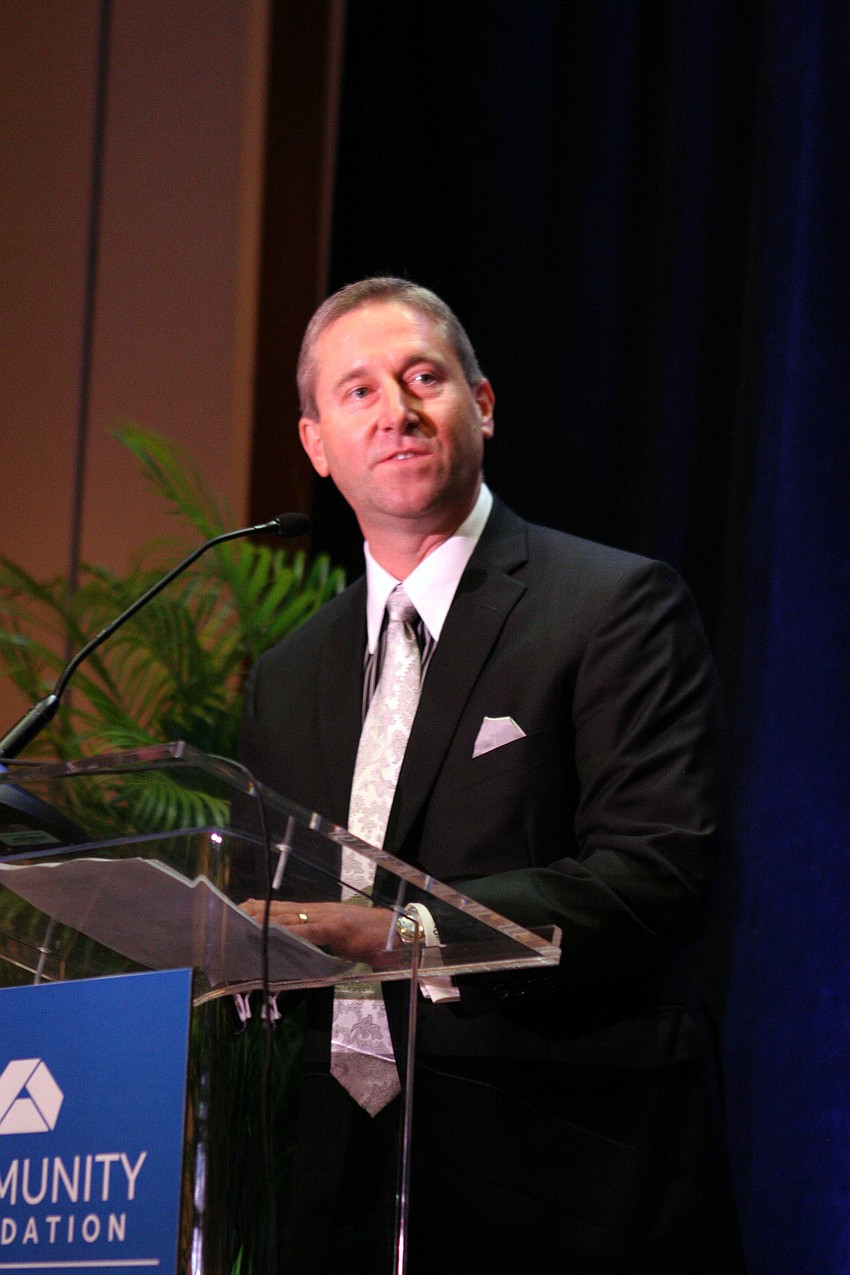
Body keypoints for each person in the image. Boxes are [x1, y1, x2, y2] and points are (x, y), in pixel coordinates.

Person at [239, 277, 743, 1274]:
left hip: (558, 1184)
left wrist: (403, 934)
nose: (396, 409)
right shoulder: (285, 679)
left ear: (484, 403)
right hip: (334, 1191)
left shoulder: (611, 609)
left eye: (423, 376)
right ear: (315, 445)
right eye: (359, 391)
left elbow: (657, 877)